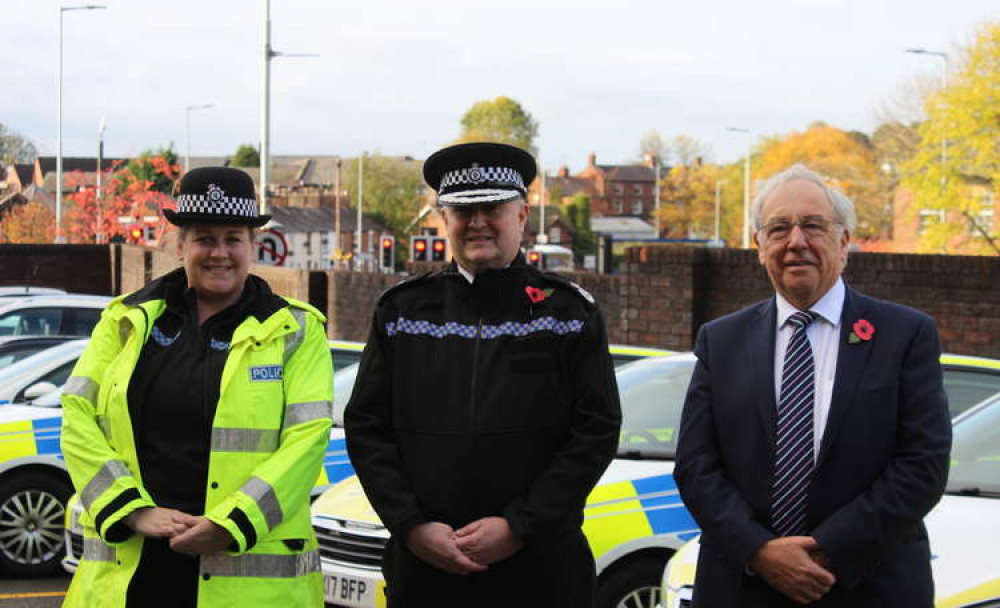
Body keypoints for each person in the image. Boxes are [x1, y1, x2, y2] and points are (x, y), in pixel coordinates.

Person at [344, 142, 622, 607]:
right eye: (462, 210)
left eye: (491, 207)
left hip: (540, 574)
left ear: (521, 215)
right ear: (443, 218)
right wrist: (412, 525)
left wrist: (519, 526)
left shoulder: (568, 313)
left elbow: (594, 432)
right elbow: (368, 428)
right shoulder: (402, 312)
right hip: (426, 574)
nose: (477, 222)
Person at [674, 164, 952, 607]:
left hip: (868, 585)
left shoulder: (905, 335)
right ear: (758, 245)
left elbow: (924, 464)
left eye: (813, 226)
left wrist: (825, 551)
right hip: (743, 586)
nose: (796, 241)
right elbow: (696, 466)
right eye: (779, 228)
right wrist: (761, 552)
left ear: (844, 242)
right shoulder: (721, 340)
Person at [60, 166, 332, 607]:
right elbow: (77, 414)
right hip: (133, 574)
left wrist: (230, 523)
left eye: (233, 238)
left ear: (253, 245)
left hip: (247, 582)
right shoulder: (125, 320)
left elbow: (307, 440)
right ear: (179, 244)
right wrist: (132, 510)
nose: (219, 252)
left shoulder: (296, 331)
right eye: (204, 237)